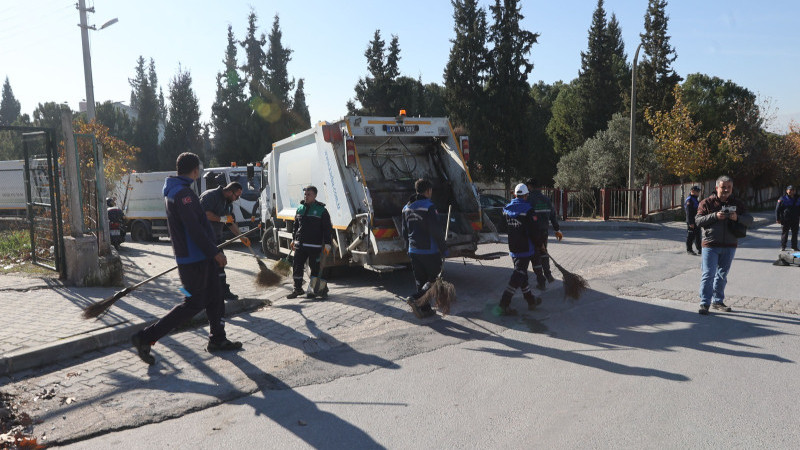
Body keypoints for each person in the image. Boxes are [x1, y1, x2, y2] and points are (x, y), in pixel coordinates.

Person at [131, 152, 242, 365]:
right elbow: (195, 229)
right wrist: (214, 253)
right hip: (194, 260)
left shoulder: (178, 191)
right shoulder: (183, 195)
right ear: (195, 171)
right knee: (193, 303)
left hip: (199, 257)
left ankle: (218, 339)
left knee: (216, 295)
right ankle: (145, 337)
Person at [695, 175, 754, 315]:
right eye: (723, 187)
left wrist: (737, 217)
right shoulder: (707, 202)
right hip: (710, 245)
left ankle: (717, 301)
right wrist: (715, 216)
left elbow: (750, 220)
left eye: (729, 187)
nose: (726, 190)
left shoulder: (738, 203)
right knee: (708, 274)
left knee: (722, 275)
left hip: (730, 245)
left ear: (732, 188)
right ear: (717, 188)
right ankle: (704, 303)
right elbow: (698, 220)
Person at [496, 183, 543, 316]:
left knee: (522, 275)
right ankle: (504, 304)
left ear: (515, 195)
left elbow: (501, 227)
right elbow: (535, 231)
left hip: (513, 247)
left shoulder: (506, 209)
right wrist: (540, 244)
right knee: (518, 275)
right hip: (526, 248)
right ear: (526, 195)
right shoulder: (529, 210)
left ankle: (531, 300)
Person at [401, 179, 446, 319]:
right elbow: (436, 230)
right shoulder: (429, 206)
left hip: (413, 250)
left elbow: (404, 232)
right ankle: (414, 298)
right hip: (429, 250)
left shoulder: (406, 208)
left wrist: (408, 248)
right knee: (434, 279)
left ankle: (425, 308)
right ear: (428, 191)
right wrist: (443, 248)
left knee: (420, 281)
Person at [200, 181, 249, 301]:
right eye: (237, 196)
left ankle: (223, 291)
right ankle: (203, 294)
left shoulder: (227, 203)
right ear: (230, 192)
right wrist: (221, 218)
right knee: (207, 266)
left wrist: (241, 237)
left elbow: (230, 222)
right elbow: (205, 214)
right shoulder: (210, 196)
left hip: (217, 238)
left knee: (221, 263)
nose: (237, 199)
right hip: (204, 239)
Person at [287, 185, 333, 299]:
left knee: (315, 268)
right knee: (297, 266)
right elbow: (296, 226)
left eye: (309, 195)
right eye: (305, 194)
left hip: (314, 246)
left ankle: (314, 289)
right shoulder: (300, 208)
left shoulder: (322, 210)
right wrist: (293, 239)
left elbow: (327, 229)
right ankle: (297, 289)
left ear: (315, 196)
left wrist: (328, 244)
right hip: (300, 245)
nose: (306, 197)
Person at [525, 179, 563, 288]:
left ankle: (541, 282)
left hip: (533, 232)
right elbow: (553, 216)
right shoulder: (546, 199)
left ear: (530, 186)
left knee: (535, 255)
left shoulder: (528, 199)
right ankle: (548, 274)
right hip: (544, 231)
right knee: (544, 251)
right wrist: (557, 230)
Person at [775, 185, 800, 251]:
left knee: (795, 233)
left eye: (793, 190)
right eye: (790, 190)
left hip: (795, 219)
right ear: (787, 191)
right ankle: (783, 246)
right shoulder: (782, 199)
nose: (791, 191)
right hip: (785, 219)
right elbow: (777, 209)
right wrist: (777, 219)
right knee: (785, 233)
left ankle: (794, 247)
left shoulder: (798, 198)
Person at [684, 186, 702, 255]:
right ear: (692, 191)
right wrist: (690, 222)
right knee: (690, 236)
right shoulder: (689, 200)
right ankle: (689, 250)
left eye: (698, 191)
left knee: (698, 235)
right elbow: (688, 213)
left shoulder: (695, 199)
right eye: (697, 191)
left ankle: (699, 249)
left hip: (697, 220)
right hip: (692, 221)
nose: (698, 193)